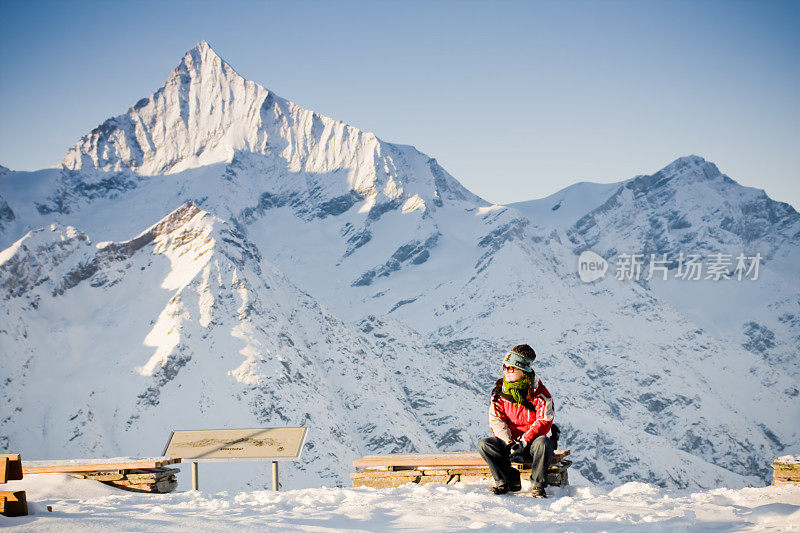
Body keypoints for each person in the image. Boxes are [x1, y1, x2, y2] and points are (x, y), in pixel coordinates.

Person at [477, 344, 556, 498]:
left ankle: (538, 485)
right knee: (485, 445)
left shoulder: (540, 394)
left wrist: (524, 442)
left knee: (544, 444)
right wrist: (509, 443)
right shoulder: (499, 393)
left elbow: (544, 421)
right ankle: (506, 481)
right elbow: (496, 420)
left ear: (523, 371)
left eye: (511, 368)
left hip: (531, 442)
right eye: (504, 367)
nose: (506, 371)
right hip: (510, 443)